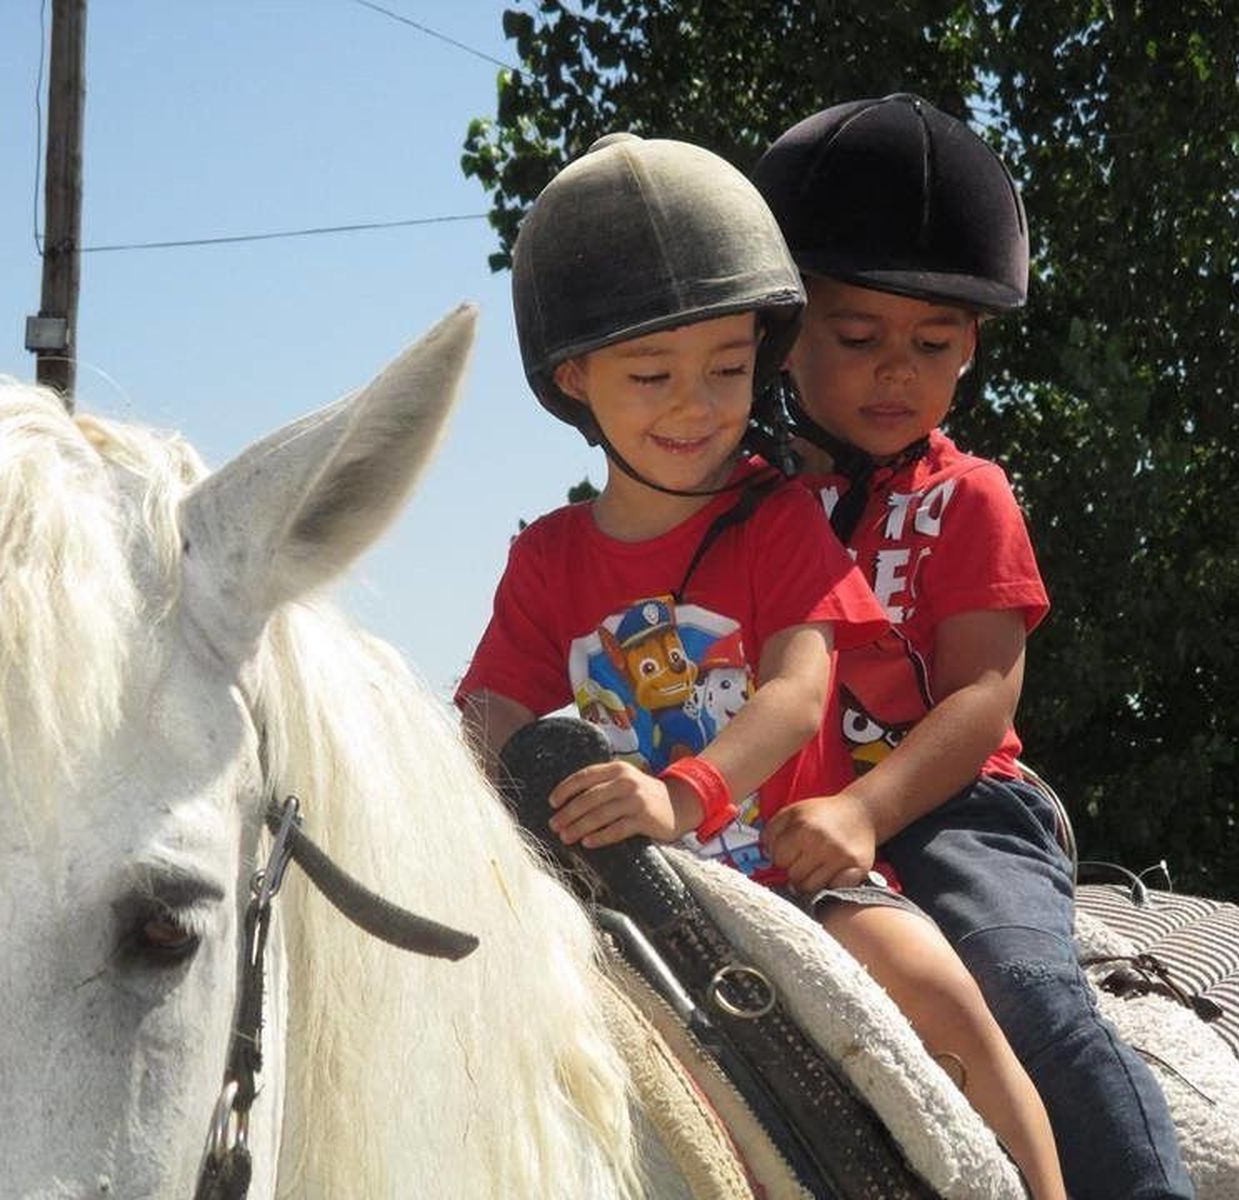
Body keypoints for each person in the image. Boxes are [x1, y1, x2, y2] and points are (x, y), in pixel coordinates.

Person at [458, 132, 1066, 1199]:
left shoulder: (781, 520)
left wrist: (682, 793)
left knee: (942, 992)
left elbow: (796, 691)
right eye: (651, 374)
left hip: (790, 874)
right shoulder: (546, 559)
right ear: (574, 379)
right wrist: (524, 790)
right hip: (628, 884)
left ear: (761, 352)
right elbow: (492, 710)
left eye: (728, 369)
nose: (695, 406)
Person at [752, 93, 1191, 1199]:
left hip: (954, 805)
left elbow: (983, 699)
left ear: (971, 352)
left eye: (932, 345)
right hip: (774, 800)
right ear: (785, 333)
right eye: (857, 340)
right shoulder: (742, 507)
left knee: (1017, 982)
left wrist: (864, 812)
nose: (895, 371)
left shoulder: (967, 497)